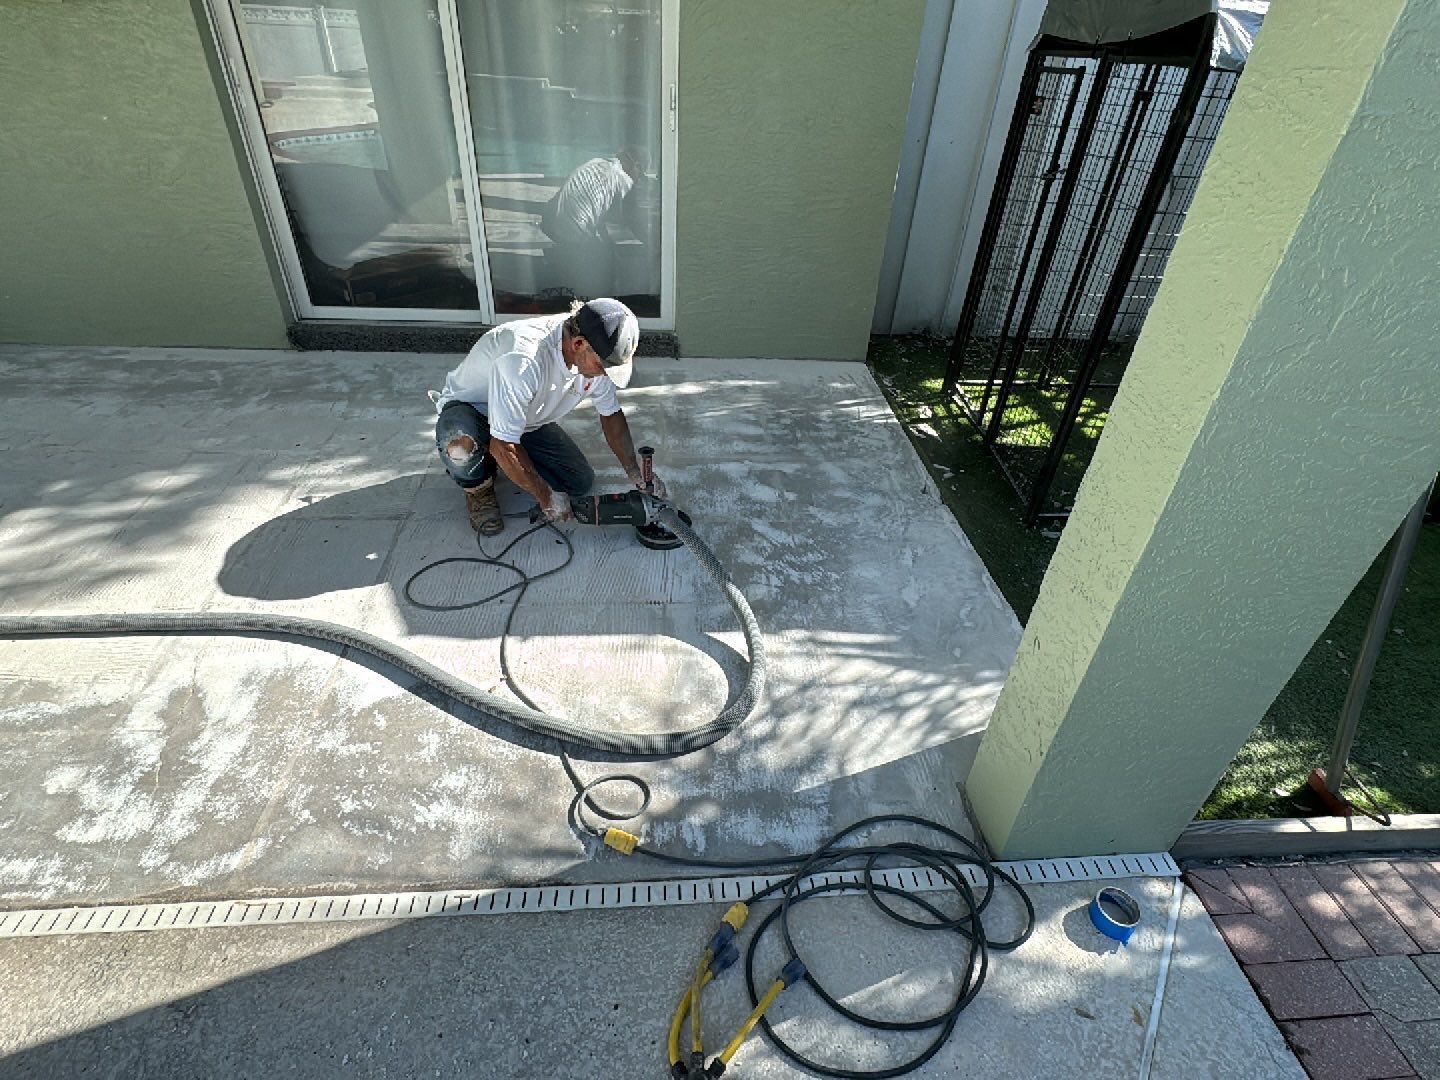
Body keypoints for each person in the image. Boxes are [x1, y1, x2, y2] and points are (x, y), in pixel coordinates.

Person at [432, 297, 666, 536]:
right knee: (459, 445)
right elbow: (503, 445)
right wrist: (545, 496)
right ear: (578, 344)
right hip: (474, 411)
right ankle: (478, 488)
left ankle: (501, 459)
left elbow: (611, 415)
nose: (605, 373)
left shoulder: (595, 353)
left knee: (578, 482)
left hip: (525, 419)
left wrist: (633, 469)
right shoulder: (524, 361)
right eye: (603, 366)